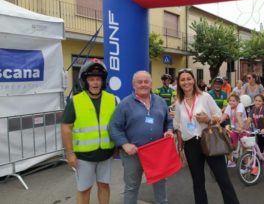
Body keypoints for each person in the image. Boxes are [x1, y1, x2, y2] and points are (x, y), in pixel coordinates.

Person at [174, 68, 240, 204]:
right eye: (182, 80)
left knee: (223, 179)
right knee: (198, 182)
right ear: (179, 83)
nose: (186, 82)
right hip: (191, 145)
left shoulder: (205, 96)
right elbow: (178, 126)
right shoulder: (178, 103)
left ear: (194, 80)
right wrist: (179, 147)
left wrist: (208, 120)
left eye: (188, 79)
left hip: (210, 139)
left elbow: (219, 116)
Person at [108, 71, 174, 204]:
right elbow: (113, 127)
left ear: (151, 84)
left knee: (160, 184)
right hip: (133, 154)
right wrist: (124, 144)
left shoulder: (160, 102)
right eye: (140, 82)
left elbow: (168, 120)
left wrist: (169, 130)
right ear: (133, 85)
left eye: (146, 81)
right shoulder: (124, 104)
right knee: (131, 187)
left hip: (156, 152)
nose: (143, 84)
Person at [61, 60, 116, 204]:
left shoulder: (112, 100)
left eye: (98, 79)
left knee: (104, 185)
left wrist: (116, 146)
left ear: (103, 81)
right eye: (91, 79)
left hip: (106, 154)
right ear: (85, 81)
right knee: (84, 189)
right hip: (83, 156)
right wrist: (70, 153)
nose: (95, 83)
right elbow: (66, 127)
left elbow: (117, 125)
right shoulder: (75, 101)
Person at [220, 93, 248, 168]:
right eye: (230, 100)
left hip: (243, 127)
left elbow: (238, 115)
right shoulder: (229, 106)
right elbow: (224, 116)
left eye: (233, 101)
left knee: (244, 145)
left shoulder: (240, 106)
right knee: (231, 145)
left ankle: (246, 163)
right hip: (234, 128)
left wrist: (241, 127)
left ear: (238, 101)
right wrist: (217, 123)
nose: (231, 102)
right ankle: (230, 161)